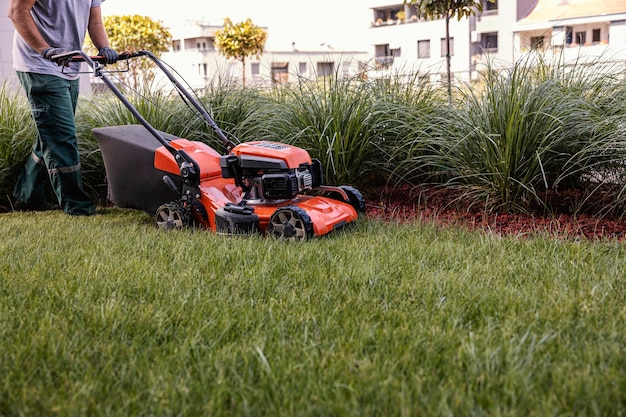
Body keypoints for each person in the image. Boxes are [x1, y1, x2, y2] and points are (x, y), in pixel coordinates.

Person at [8, 0, 118, 215]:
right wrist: (44, 49)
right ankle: (77, 206)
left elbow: (94, 22)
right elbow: (16, 11)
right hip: (39, 64)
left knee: (51, 133)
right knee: (61, 136)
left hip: (69, 63)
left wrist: (104, 47)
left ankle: (27, 194)